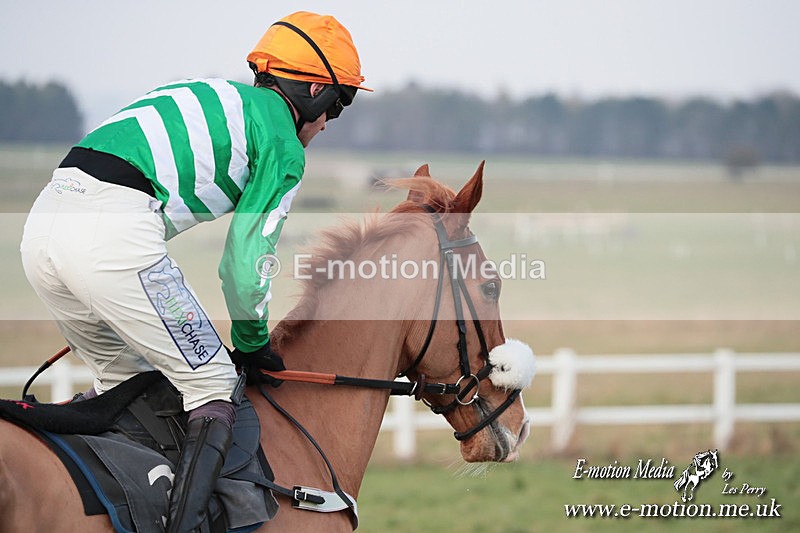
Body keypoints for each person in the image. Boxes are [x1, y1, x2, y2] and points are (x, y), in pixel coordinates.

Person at [20, 11, 369, 532]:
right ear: (316, 90)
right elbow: (244, 266)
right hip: (112, 236)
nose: (325, 126)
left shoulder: (215, 92)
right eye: (336, 109)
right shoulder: (283, 143)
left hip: (41, 228)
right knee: (212, 381)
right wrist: (252, 343)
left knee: (134, 388)